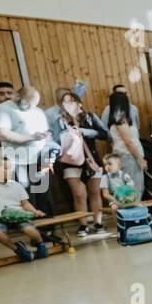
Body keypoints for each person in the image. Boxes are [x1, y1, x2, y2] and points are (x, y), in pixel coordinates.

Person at [0, 86, 55, 214]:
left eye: (34, 105)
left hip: (38, 158)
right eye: (28, 104)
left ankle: (47, 229)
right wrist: (31, 137)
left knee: (44, 194)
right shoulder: (4, 109)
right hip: (17, 159)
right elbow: (3, 134)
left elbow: (46, 133)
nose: (31, 107)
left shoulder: (37, 111)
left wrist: (49, 152)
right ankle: (33, 227)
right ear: (17, 97)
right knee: (26, 196)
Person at [0, 159, 49, 262]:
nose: (10, 171)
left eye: (10, 168)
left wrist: (35, 211)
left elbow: (25, 203)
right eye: (6, 168)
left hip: (19, 215)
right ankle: (18, 249)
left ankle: (41, 244)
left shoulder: (15, 184)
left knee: (29, 229)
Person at [55, 100, 104, 235]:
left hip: (91, 160)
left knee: (95, 193)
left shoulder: (90, 117)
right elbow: (54, 139)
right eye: (65, 102)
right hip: (71, 160)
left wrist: (84, 131)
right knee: (78, 195)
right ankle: (83, 224)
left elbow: (104, 134)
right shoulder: (59, 121)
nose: (68, 104)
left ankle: (98, 222)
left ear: (79, 103)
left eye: (71, 101)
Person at [104, 90, 146, 195]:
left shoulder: (116, 120)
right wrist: (140, 159)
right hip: (129, 156)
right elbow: (129, 142)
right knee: (134, 188)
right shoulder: (120, 121)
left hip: (124, 155)